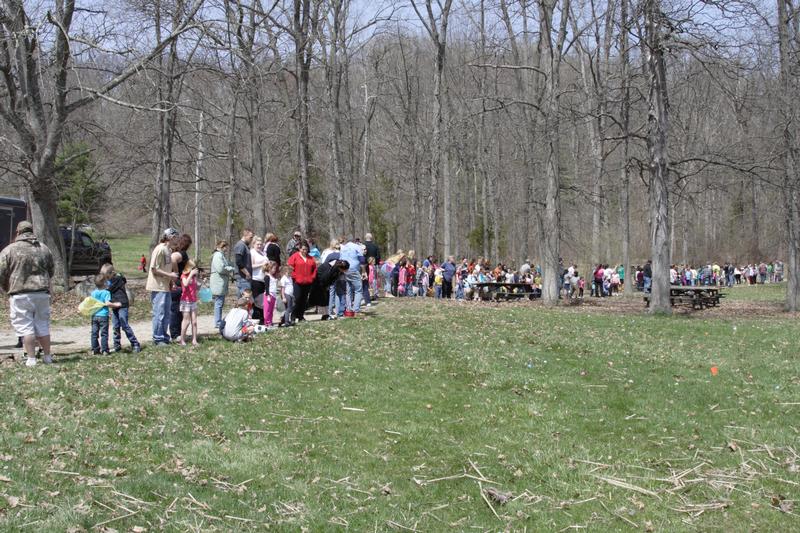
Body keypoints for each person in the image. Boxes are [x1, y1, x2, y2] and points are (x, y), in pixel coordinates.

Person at [0, 221, 55, 366]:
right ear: (32, 231)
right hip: (42, 293)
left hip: (20, 293)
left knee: (26, 327)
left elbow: (1, 272)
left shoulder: (9, 250)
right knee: (43, 325)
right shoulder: (44, 248)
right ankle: (48, 357)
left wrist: (5, 288)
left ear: (18, 232)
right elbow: (51, 271)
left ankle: (31, 359)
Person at [147, 228, 179, 346]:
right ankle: (158, 338)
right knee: (159, 313)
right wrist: (169, 275)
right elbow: (154, 269)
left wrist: (171, 282)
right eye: (176, 237)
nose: (177, 240)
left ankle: (164, 336)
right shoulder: (160, 249)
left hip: (166, 286)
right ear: (170, 237)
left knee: (166, 313)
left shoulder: (168, 250)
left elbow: (165, 268)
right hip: (158, 286)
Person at [101, 263, 141, 353]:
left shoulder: (117, 279)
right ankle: (117, 346)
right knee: (115, 326)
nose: (106, 279)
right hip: (115, 304)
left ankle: (135, 344)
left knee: (124, 325)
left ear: (112, 273)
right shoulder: (110, 281)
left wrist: (100, 291)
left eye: (107, 276)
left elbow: (109, 289)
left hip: (122, 304)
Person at [169, 234, 192, 340]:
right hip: (177, 285)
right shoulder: (180, 253)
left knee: (178, 310)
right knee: (176, 310)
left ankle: (178, 332)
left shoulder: (176, 252)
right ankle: (175, 334)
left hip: (177, 284)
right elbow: (173, 258)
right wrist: (176, 272)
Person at [90, 273, 119, 355]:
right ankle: (105, 350)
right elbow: (107, 303)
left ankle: (95, 349)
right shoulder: (106, 293)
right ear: (104, 283)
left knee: (94, 333)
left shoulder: (93, 293)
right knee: (104, 333)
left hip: (94, 315)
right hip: (103, 315)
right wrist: (116, 304)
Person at [287, 241, 317, 322]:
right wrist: (295, 277)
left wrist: (312, 277)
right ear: (300, 249)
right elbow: (290, 267)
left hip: (307, 282)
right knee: (297, 299)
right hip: (297, 282)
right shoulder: (294, 256)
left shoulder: (310, 258)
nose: (304, 251)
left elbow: (314, 269)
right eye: (303, 249)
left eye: (306, 249)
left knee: (304, 300)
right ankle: (293, 316)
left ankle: (300, 316)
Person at [210, 241, 234, 331]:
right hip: (218, 283)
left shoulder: (221, 255)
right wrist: (231, 269)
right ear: (221, 247)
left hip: (220, 283)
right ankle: (217, 322)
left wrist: (232, 264)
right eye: (225, 247)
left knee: (219, 302)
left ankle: (218, 321)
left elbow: (225, 264)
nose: (226, 249)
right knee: (219, 303)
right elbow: (221, 268)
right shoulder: (218, 255)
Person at [339, 237, 365, 313]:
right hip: (353, 269)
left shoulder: (343, 248)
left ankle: (348, 309)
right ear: (354, 242)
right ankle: (355, 310)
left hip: (345, 270)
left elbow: (340, 260)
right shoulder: (357, 247)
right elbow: (362, 259)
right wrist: (363, 271)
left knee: (349, 290)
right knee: (358, 290)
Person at [179, 260, 200, 346]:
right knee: (186, 321)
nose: (195, 269)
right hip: (185, 301)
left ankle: (194, 340)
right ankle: (182, 339)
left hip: (193, 301)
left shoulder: (194, 277)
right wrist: (190, 274)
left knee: (194, 322)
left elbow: (196, 288)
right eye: (193, 268)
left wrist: (201, 282)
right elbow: (185, 284)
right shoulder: (184, 276)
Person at [250, 236, 268, 324]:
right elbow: (251, 266)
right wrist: (262, 264)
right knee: (257, 301)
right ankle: (256, 319)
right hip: (255, 279)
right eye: (258, 244)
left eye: (261, 244)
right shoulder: (252, 253)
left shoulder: (262, 253)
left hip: (263, 279)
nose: (259, 246)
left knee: (263, 301)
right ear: (253, 244)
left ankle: (262, 319)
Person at [233, 229, 254, 297]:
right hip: (242, 277)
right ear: (245, 235)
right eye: (250, 237)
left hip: (245, 278)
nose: (252, 239)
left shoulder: (245, 246)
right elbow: (238, 261)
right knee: (245, 300)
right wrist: (247, 273)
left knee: (243, 302)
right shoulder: (240, 245)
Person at [264, 262, 279, 326]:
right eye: (273, 269)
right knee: (267, 310)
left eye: (275, 269)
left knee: (271, 310)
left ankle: (270, 321)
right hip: (268, 295)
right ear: (269, 268)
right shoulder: (267, 276)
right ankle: (266, 322)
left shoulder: (273, 277)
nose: (274, 270)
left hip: (274, 295)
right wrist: (268, 295)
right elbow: (266, 286)